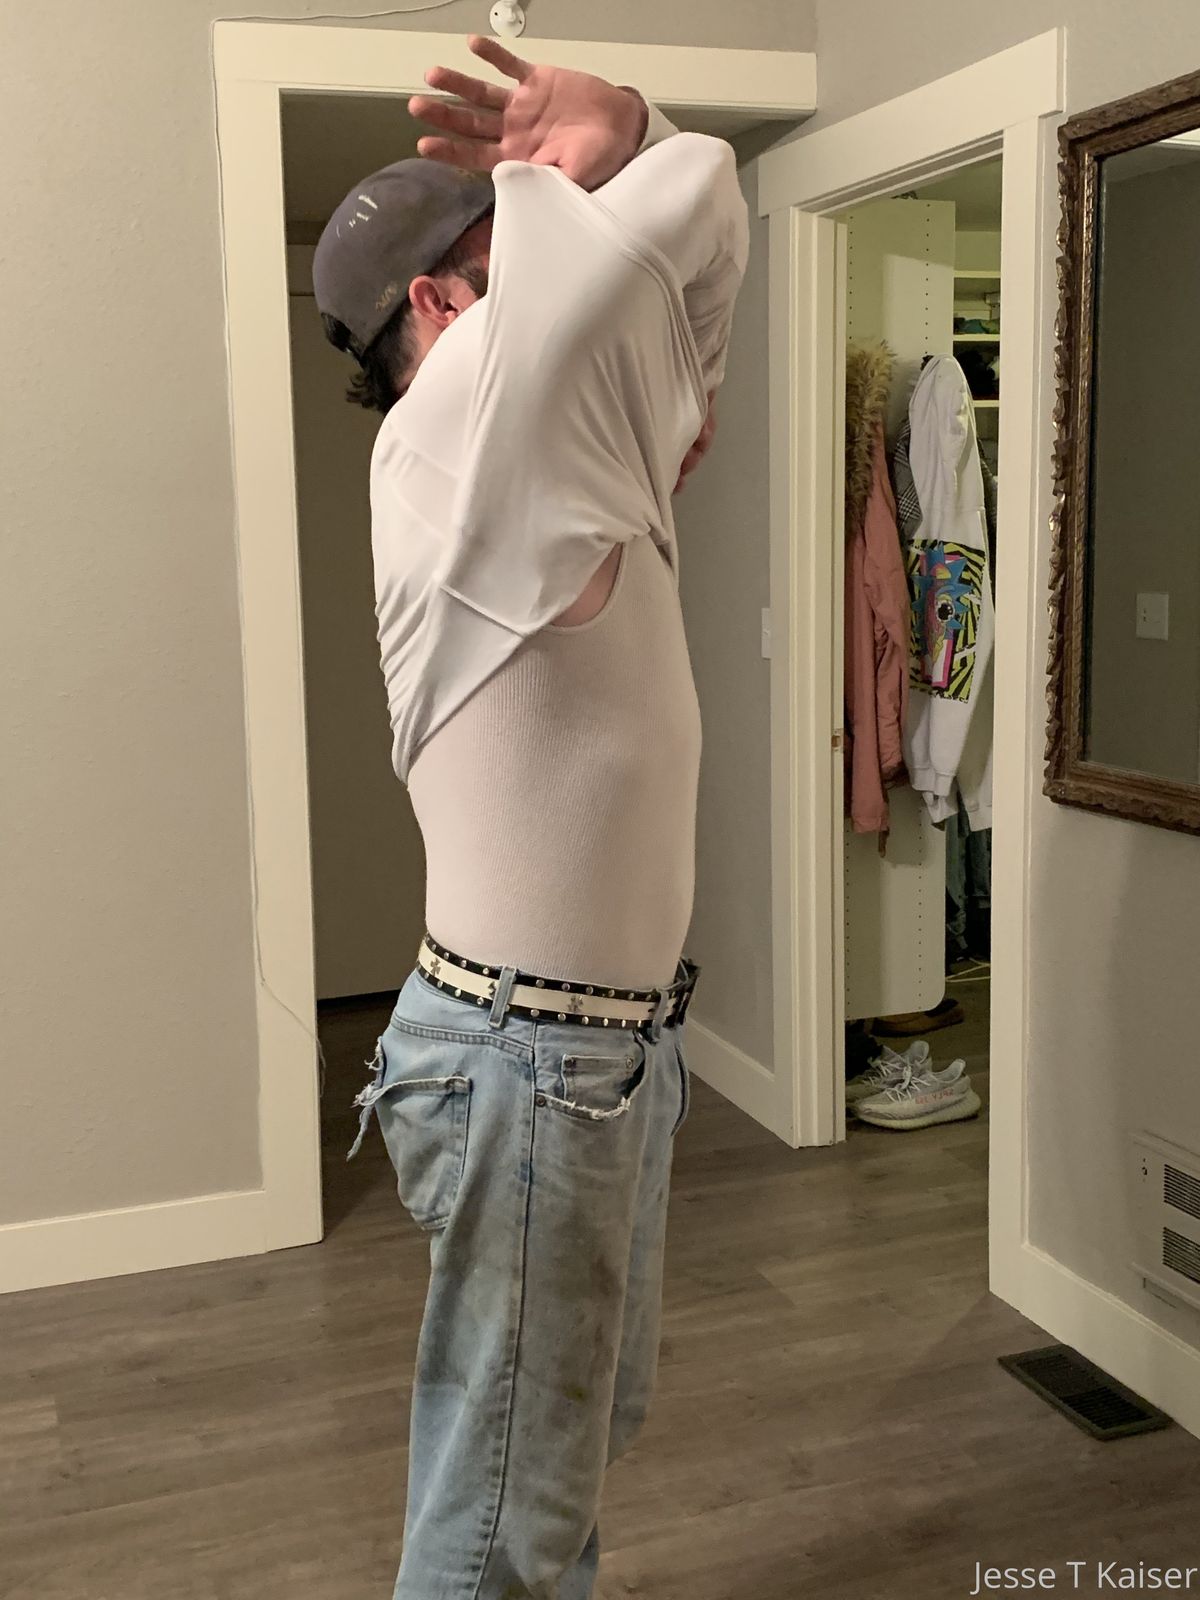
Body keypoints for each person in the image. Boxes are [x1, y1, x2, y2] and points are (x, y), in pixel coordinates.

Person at [315, 34, 749, 1600]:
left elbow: (696, 259)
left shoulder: (542, 451)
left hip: (587, 1049)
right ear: (443, 306)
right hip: (533, 1058)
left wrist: (628, 131)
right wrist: (629, 134)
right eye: (520, 249)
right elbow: (691, 198)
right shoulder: (449, 432)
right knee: (507, 1500)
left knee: (557, 1451)